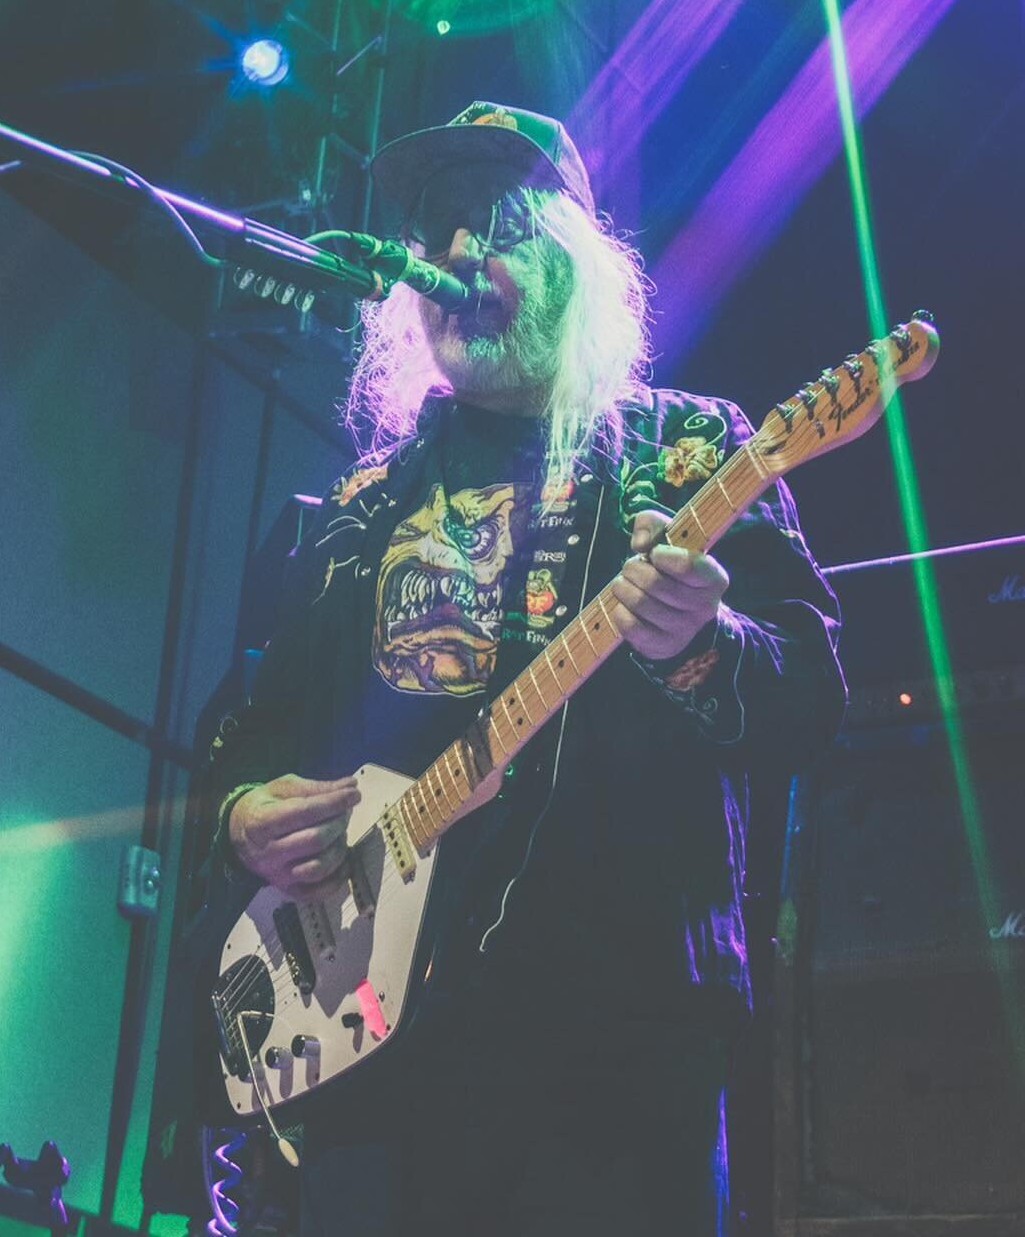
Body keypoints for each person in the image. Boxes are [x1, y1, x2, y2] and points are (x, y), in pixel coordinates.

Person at [203, 103, 845, 1235]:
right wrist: (243, 809)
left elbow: (809, 694)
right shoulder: (355, 511)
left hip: (612, 1055)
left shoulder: (691, 453)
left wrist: (704, 642)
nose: (456, 254)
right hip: (367, 1055)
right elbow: (243, 726)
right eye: (439, 228)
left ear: (576, 264)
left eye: (496, 221)